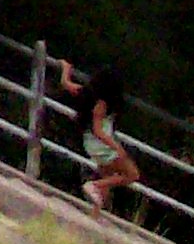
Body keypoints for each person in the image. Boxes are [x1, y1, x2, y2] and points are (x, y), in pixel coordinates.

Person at [54, 58, 139, 212]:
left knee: (107, 177)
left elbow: (66, 84)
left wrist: (65, 68)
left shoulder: (87, 94)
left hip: (92, 144)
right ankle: (93, 185)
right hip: (102, 145)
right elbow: (98, 130)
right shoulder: (102, 104)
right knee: (132, 174)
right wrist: (116, 147)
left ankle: (95, 214)